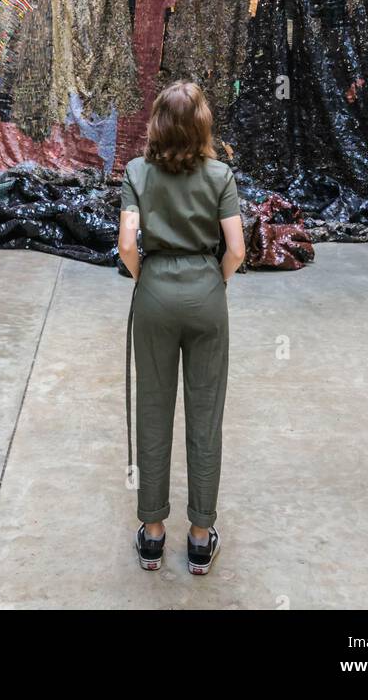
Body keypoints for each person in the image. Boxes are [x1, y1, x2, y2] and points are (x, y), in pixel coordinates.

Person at [118, 80, 246, 576]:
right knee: (205, 413)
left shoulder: (136, 172)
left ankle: (152, 535)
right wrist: (216, 280)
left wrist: (143, 276)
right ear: (202, 125)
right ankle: (198, 537)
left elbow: (128, 242)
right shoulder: (221, 176)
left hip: (154, 293)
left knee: (153, 408)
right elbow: (236, 249)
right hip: (206, 294)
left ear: (157, 123)